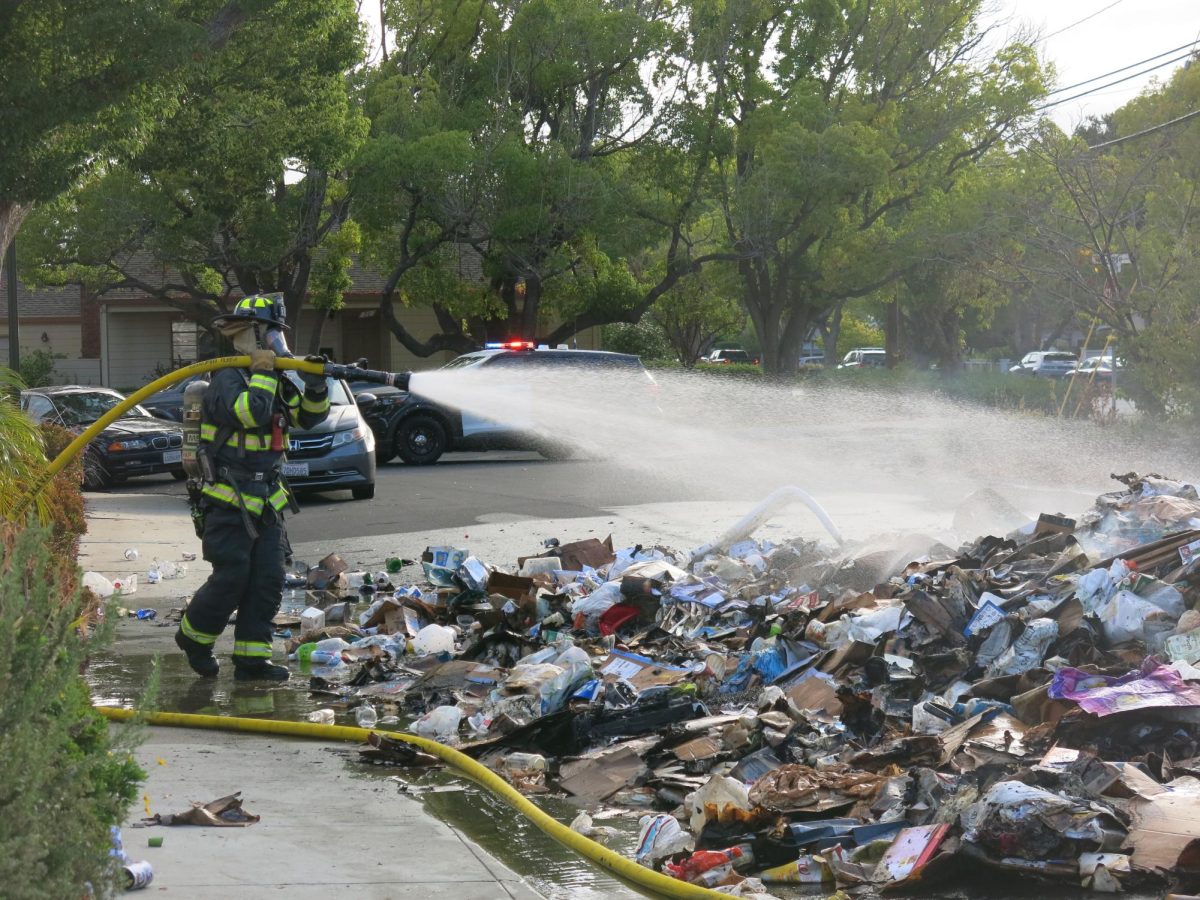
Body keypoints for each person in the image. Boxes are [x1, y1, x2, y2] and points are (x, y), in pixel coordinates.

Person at [174, 293, 330, 680]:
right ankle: (194, 638)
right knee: (233, 576)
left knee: (267, 580)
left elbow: (308, 418)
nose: (279, 340)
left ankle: (251, 659)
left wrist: (313, 385)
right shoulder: (227, 378)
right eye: (273, 331)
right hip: (228, 498)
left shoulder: (272, 376)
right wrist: (265, 370)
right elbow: (250, 412)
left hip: (267, 499)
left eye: (280, 332)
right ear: (252, 333)